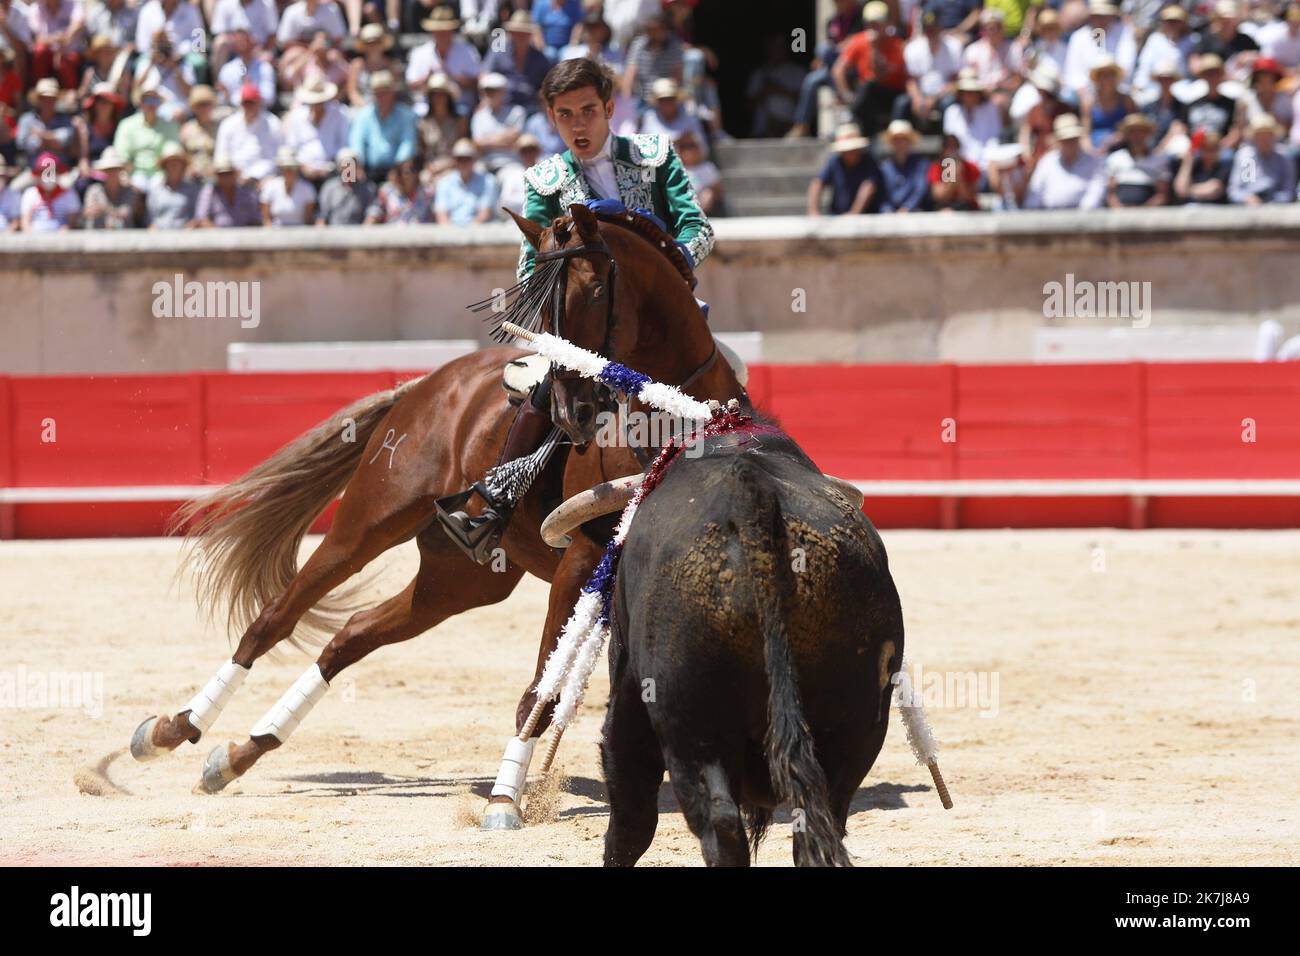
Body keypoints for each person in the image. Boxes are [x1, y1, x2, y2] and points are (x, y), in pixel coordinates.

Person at [436, 55, 717, 562]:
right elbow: (530, 262)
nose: (578, 124)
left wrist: (674, 268)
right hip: (589, 326)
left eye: (587, 110)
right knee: (544, 388)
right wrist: (555, 313)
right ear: (551, 118)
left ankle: (753, 480)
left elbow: (699, 227)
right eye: (565, 114)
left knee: (726, 376)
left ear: (609, 107)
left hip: (660, 322)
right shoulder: (545, 179)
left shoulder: (654, 155)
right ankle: (493, 501)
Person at [832, 1, 907, 137]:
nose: (873, 28)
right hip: (867, 97)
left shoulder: (896, 45)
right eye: (870, 24)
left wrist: (874, 48)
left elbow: (880, 77)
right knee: (865, 93)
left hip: (892, 94)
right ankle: (856, 128)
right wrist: (847, 95)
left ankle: (850, 117)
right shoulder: (859, 40)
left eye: (877, 23)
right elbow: (838, 70)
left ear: (887, 24)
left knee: (867, 88)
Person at [1023, 113, 1106, 209]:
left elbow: (1095, 194)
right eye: (1066, 140)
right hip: (1049, 219)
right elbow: (1034, 195)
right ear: (1059, 141)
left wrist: (1080, 218)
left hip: (1085, 219)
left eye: (1073, 139)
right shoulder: (1047, 162)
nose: (1070, 143)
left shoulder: (1093, 162)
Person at [348, 68, 416, 183]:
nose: (381, 97)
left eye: (385, 92)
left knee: (407, 169)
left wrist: (397, 168)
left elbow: (407, 144)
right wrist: (358, 165)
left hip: (397, 170)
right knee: (347, 165)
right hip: (368, 170)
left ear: (393, 93)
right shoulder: (363, 115)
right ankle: (347, 194)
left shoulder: (406, 116)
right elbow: (356, 142)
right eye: (378, 93)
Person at [112, 81, 179, 187]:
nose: (152, 104)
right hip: (134, 174)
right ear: (141, 103)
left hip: (161, 175)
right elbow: (122, 155)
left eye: (155, 101)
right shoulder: (127, 125)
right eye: (148, 100)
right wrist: (129, 177)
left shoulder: (170, 126)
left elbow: (172, 152)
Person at [807, 122, 881, 215]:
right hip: (836, 214)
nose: (851, 153)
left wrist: (854, 213)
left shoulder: (869, 162)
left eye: (854, 150)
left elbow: (868, 187)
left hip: (865, 216)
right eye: (847, 151)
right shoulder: (834, 161)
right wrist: (813, 211)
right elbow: (817, 184)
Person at [214, 80, 281, 181]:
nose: (248, 107)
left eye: (252, 103)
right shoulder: (228, 124)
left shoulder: (273, 124)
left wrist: (254, 176)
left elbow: (276, 159)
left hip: (264, 179)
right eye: (246, 103)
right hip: (233, 179)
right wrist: (234, 172)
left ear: (259, 102)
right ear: (241, 104)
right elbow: (220, 156)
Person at [1104, 112, 1170, 206]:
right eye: (1132, 131)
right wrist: (1119, 211)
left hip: (1148, 215)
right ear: (1127, 135)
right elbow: (1110, 193)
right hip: (1119, 213)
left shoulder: (1159, 161)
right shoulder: (1115, 158)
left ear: (1147, 134)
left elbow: (1162, 195)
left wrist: (1143, 212)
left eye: (1141, 131)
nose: (1137, 136)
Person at [1228, 113, 1295, 203]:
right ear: (1254, 137)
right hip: (1248, 205)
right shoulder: (1244, 156)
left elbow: (1288, 190)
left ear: (1274, 137)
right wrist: (1247, 198)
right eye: (1260, 135)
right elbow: (1234, 190)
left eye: (1267, 135)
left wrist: (1273, 201)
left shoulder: (1284, 156)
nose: (1264, 139)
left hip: (1275, 205)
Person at [433, 137, 497, 224]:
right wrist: (452, 234)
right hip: (450, 232)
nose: (463, 163)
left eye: (467, 159)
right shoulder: (444, 183)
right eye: (460, 159)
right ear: (455, 161)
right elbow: (442, 216)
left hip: (479, 233)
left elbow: (484, 215)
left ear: (474, 160)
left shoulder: (488, 181)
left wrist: (467, 235)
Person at [877, 118, 930, 212]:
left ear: (909, 142)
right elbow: (882, 195)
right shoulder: (884, 167)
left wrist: (906, 208)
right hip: (889, 216)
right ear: (891, 142)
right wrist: (887, 211)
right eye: (896, 139)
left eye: (903, 139)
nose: (899, 143)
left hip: (915, 213)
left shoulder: (921, 164)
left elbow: (920, 190)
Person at [81, 145, 140, 226]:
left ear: (120, 170)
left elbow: (126, 213)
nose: (111, 173)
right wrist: (90, 212)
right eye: (108, 170)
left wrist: (105, 210)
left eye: (114, 169)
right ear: (103, 171)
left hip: (125, 236)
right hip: (96, 236)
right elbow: (86, 212)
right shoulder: (94, 190)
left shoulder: (130, 191)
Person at [195, 152, 261, 225]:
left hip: (245, 234)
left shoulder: (247, 192)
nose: (225, 177)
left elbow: (256, 218)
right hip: (216, 234)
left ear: (234, 174)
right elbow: (202, 218)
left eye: (228, 173)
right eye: (221, 174)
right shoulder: (209, 191)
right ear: (216, 176)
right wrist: (218, 234)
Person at [20, 151, 80, 230]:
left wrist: (65, 231)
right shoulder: (30, 194)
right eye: (45, 172)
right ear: (39, 173)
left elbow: (73, 220)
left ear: (58, 172)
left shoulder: (69, 194)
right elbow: (25, 222)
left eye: (52, 171)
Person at [315, 146, 374, 225]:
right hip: (333, 234)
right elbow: (321, 217)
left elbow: (372, 215)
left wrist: (362, 235)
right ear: (339, 167)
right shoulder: (329, 188)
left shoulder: (368, 189)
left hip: (358, 234)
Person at [146, 140, 199, 226]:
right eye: (171, 163)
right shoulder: (155, 191)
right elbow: (150, 221)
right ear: (164, 166)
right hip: (159, 236)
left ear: (183, 166)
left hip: (186, 236)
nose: (174, 166)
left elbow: (196, 218)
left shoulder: (192, 189)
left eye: (177, 163)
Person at [1173, 129, 1230, 204]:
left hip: (1214, 208)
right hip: (1190, 207)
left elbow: (1214, 189)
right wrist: (1188, 161)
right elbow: (1180, 188)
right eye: (1205, 149)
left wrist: (1187, 190)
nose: (1209, 154)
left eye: (1212, 150)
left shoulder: (1224, 166)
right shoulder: (1195, 165)